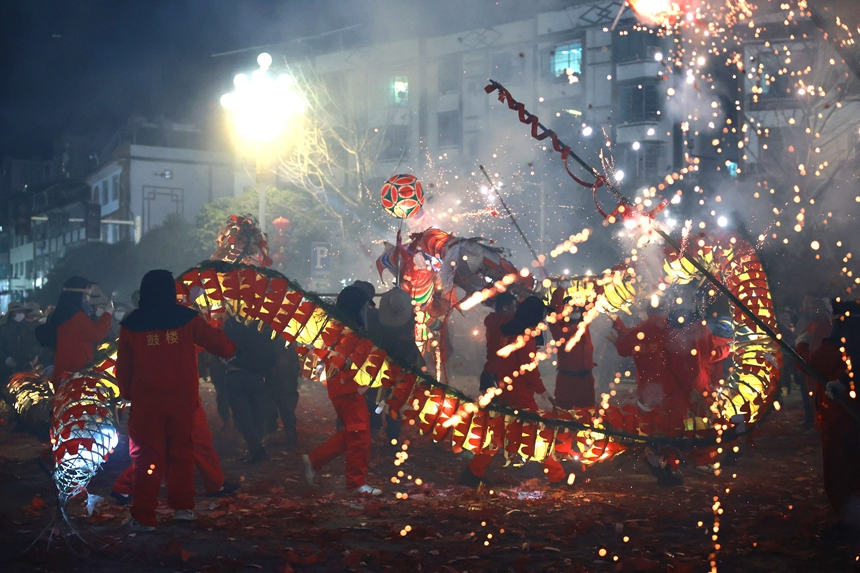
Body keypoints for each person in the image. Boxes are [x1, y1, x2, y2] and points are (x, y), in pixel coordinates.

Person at [116, 270, 236, 532]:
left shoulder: (131, 324)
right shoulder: (186, 319)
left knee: (147, 458)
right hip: (182, 401)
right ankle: (183, 508)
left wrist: (128, 394)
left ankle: (144, 515)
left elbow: (123, 368)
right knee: (182, 453)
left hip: (147, 405)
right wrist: (233, 346)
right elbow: (219, 344)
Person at [460, 297, 566, 487]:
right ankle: (557, 476)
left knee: (497, 431)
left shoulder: (506, 331)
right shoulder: (525, 337)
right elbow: (528, 370)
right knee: (535, 433)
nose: (543, 318)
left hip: (503, 388)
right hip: (520, 393)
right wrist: (544, 393)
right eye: (542, 313)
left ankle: (474, 471)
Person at [302, 285, 381, 496]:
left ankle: (314, 460)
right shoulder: (345, 330)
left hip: (347, 387)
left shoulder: (343, 326)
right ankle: (356, 483)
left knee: (354, 433)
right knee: (360, 434)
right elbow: (348, 361)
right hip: (346, 387)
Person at [609, 301, 684, 486]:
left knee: (650, 432)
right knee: (670, 432)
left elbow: (624, 348)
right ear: (665, 309)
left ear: (646, 310)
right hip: (669, 391)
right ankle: (669, 469)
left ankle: (659, 468)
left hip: (646, 392)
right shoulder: (669, 330)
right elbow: (681, 359)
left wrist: (618, 326)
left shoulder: (638, 330)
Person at [110, 397, 241, 504]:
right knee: (192, 440)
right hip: (178, 396)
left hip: (165, 395)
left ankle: (126, 485)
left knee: (163, 447)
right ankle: (213, 484)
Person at [807, 298, 860, 531]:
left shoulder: (834, 347)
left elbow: (811, 364)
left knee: (839, 471)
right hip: (850, 418)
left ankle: (848, 520)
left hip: (838, 419)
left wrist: (801, 346)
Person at [368, 288, 425, 442]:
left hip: (392, 359)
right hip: (396, 360)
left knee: (384, 394)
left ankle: (383, 426)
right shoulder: (408, 321)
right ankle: (389, 429)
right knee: (391, 396)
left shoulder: (381, 323)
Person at [36, 277, 113, 385]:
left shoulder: (63, 312)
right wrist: (107, 314)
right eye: (87, 294)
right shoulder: (75, 316)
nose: (88, 299)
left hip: (66, 370)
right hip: (73, 373)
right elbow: (95, 334)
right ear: (79, 295)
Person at [548, 289, 595, 409]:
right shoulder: (559, 328)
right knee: (564, 417)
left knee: (587, 416)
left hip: (586, 380)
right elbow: (553, 310)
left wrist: (598, 285)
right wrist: (560, 290)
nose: (576, 310)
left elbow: (593, 303)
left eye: (578, 307)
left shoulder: (583, 324)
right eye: (572, 307)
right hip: (567, 381)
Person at [796, 295, 831, 429]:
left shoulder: (823, 323)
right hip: (809, 365)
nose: (811, 311)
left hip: (815, 365)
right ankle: (812, 421)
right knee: (810, 396)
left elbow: (815, 346)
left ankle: (818, 423)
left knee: (817, 397)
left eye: (814, 308)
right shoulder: (813, 323)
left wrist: (803, 346)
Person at [479, 292, 517, 393]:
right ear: (505, 308)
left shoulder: (493, 320)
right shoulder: (506, 322)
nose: (515, 311)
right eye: (513, 307)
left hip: (490, 371)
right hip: (498, 374)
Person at [0, 302, 40, 381]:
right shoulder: (3, 329)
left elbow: (31, 344)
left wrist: (34, 356)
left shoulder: (25, 328)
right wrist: (5, 358)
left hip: (23, 366)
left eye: (22, 312)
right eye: (19, 312)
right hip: (5, 369)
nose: (21, 314)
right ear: (12, 313)